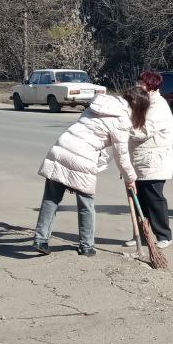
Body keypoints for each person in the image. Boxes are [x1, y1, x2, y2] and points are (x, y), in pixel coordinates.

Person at [33, 86, 146, 258]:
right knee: (86, 204)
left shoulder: (100, 104)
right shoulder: (122, 120)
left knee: (51, 199)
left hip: (62, 147)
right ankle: (86, 246)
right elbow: (121, 156)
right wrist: (131, 179)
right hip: (83, 156)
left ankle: (40, 240)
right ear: (138, 106)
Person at [124, 70, 173, 248]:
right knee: (138, 199)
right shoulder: (140, 101)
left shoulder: (158, 106)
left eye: (141, 83)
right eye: (138, 81)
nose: (137, 85)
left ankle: (163, 235)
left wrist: (122, 129)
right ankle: (142, 234)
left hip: (154, 161)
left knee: (154, 199)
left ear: (151, 86)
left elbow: (143, 131)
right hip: (137, 159)